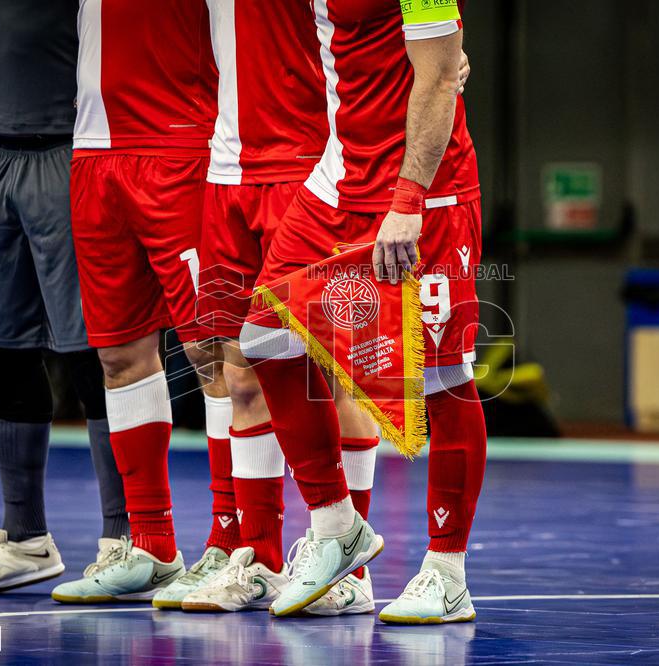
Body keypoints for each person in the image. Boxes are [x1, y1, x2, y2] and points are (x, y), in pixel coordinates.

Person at [237, 0, 487, 622]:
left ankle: (446, 571)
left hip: (426, 186)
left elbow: (435, 74)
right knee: (265, 336)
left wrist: (409, 200)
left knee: (441, 379)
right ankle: (336, 525)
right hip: (339, 177)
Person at [154, 0, 383, 615]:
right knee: (240, 374)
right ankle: (259, 560)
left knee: (337, 378)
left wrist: (448, 52)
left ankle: (349, 571)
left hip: (316, 172)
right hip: (227, 177)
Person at [0, 0, 128, 593]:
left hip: (76, 153)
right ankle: (26, 540)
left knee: (97, 353)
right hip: (0, 156)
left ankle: (127, 539)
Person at [49, 0, 229, 603]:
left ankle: (236, 544)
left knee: (214, 352)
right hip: (94, 152)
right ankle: (152, 544)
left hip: (183, 143)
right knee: (118, 357)